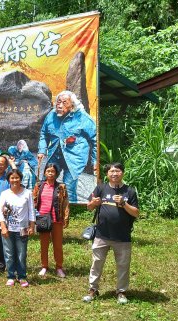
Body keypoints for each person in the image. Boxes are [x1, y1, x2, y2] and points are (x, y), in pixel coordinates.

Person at [83, 162, 139, 305]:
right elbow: (89, 207)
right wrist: (93, 203)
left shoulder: (129, 191)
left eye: (117, 171)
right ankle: (92, 289)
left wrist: (123, 204)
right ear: (107, 174)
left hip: (122, 236)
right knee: (96, 263)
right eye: (111, 171)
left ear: (122, 173)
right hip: (102, 235)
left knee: (123, 265)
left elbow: (136, 213)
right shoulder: (101, 188)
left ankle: (121, 291)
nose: (114, 174)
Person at [38, 90, 97, 202]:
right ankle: (49, 209)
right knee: (47, 182)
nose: (60, 105)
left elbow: (95, 139)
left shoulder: (82, 117)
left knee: (68, 188)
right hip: (55, 153)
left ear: (72, 105)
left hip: (75, 156)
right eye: (58, 102)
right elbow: (44, 133)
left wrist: (95, 161)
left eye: (64, 103)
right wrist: (42, 150)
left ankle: (71, 213)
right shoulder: (51, 115)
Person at [0, 169, 36, 287]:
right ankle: (11, 276)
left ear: (20, 179)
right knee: (8, 253)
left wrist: (32, 225)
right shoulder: (5, 193)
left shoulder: (27, 193)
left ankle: (22, 276)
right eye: (12, 178)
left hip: (22, 229)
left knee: (21, 253)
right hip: (8, 229)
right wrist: (3, 227)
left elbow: (31, 211)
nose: (14, 180)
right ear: (9, 180)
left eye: (17, 178)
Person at [33, 163, 70, 278]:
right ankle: (44, 266)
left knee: (58, 245)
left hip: (56, 219)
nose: (50, 173)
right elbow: (34, 201)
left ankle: (59, 267)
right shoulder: (39, 186)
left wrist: (65, 218)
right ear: (44, 173)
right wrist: (33, 218)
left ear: (56, 173)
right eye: (48, 171)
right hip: (43, 219)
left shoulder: (61, 187)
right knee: (44, 244)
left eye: (52, 171)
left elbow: (65, 203)